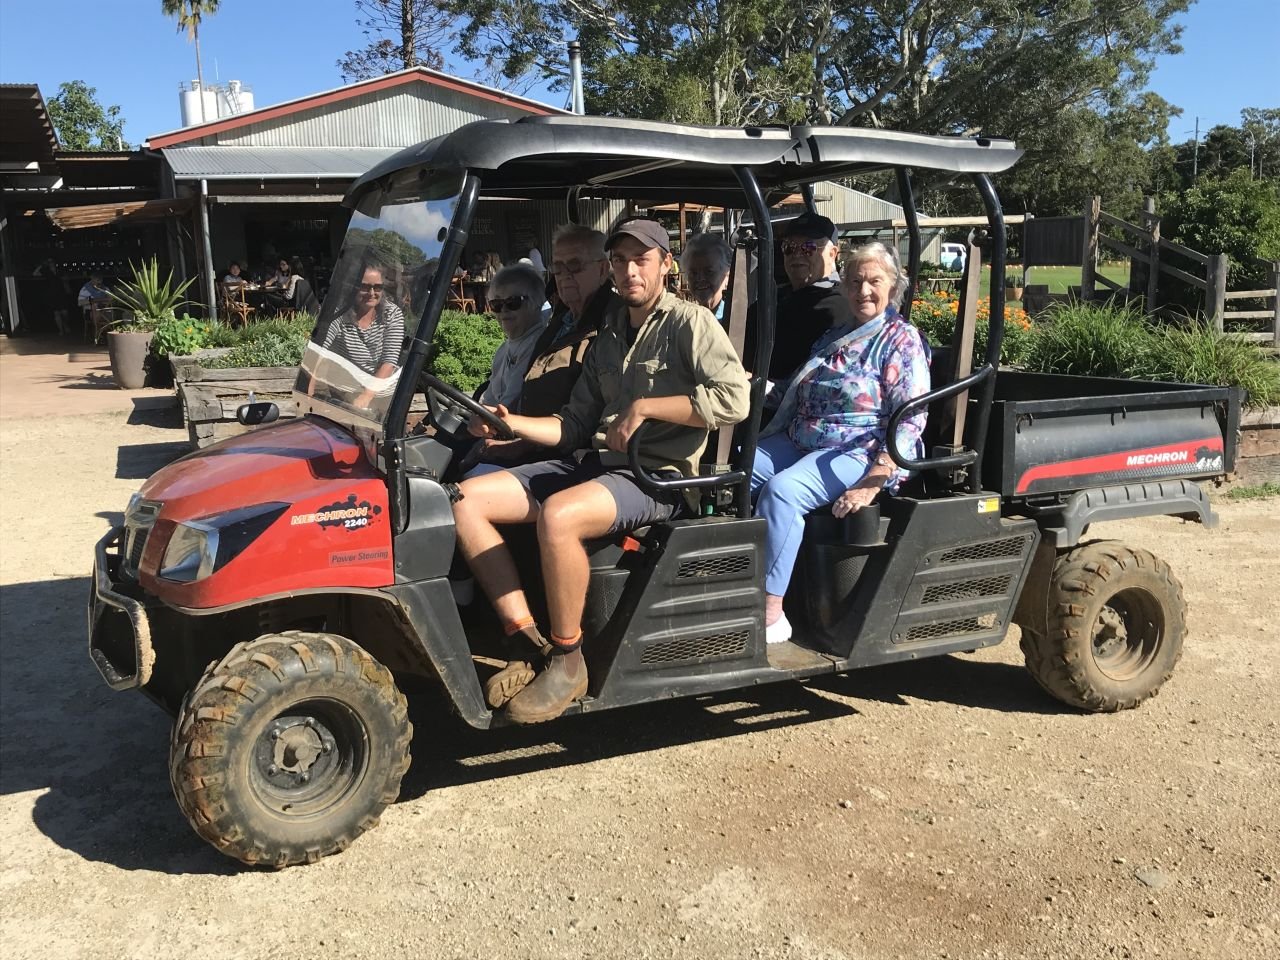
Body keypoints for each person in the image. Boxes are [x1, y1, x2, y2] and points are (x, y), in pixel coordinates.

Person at [452, 218, 750, 723]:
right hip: (594, 461)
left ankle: (569, 661)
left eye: (642, 260)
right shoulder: (611, 331)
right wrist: (509, 424)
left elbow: (733, 399)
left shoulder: (690, 323)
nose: (630, 270)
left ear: (665, 265)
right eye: (620, 261)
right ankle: (529, 641)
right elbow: (572, 425)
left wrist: (648, 408)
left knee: (560, 516)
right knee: (464, 497)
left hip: (657, 475)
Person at [750, 241, 931, 644]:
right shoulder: (835, 335)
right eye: (854, 281)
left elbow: (911, 415)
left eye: (873, 281)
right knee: (737, 473)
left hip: (858, 450)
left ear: (893, 285)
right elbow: (798, 390)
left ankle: (771, 611)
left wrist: (877, 476)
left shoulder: (900, 341)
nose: (863, 290)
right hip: (803, 438)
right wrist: (752, 387)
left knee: (782, 493)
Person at [462, 224, 621, 475]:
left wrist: (521, 444)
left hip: (570, 455)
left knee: (463, 490)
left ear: (602, 269)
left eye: (575, 266)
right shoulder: (563, 318)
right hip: (529, 439)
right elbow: (529, 383)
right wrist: (494, 421)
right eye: (558, 268)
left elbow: (587, 416)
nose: (564, 275)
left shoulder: (611, 326)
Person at [745, 212, 853, 383]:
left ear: (832, 254)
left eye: (808, 247)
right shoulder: (778, 296)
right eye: (789, 247)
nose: (796, 254)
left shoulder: (838, 305)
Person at [319, 262, 405, 409]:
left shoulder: (392, 313)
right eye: (365, 287)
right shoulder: (340, 312)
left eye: (377, 287)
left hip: (380, 389)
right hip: (346, 389)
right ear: (354, 287)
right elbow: (319, 350)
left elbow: (389, 361)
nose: (371, 293)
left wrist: (366, 396)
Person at [479, 263, 550, 409]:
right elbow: (489, 400)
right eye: (496, 304)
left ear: (536, 302)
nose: (503, 310)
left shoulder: (539, 345)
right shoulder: (503, 350)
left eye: (513, 302)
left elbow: (508, 405)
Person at [680, 232, 732, 321]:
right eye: (693, 273)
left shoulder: (735, 321)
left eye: (709, 271)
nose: (700, 278)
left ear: (727, 275)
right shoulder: (686, 322)